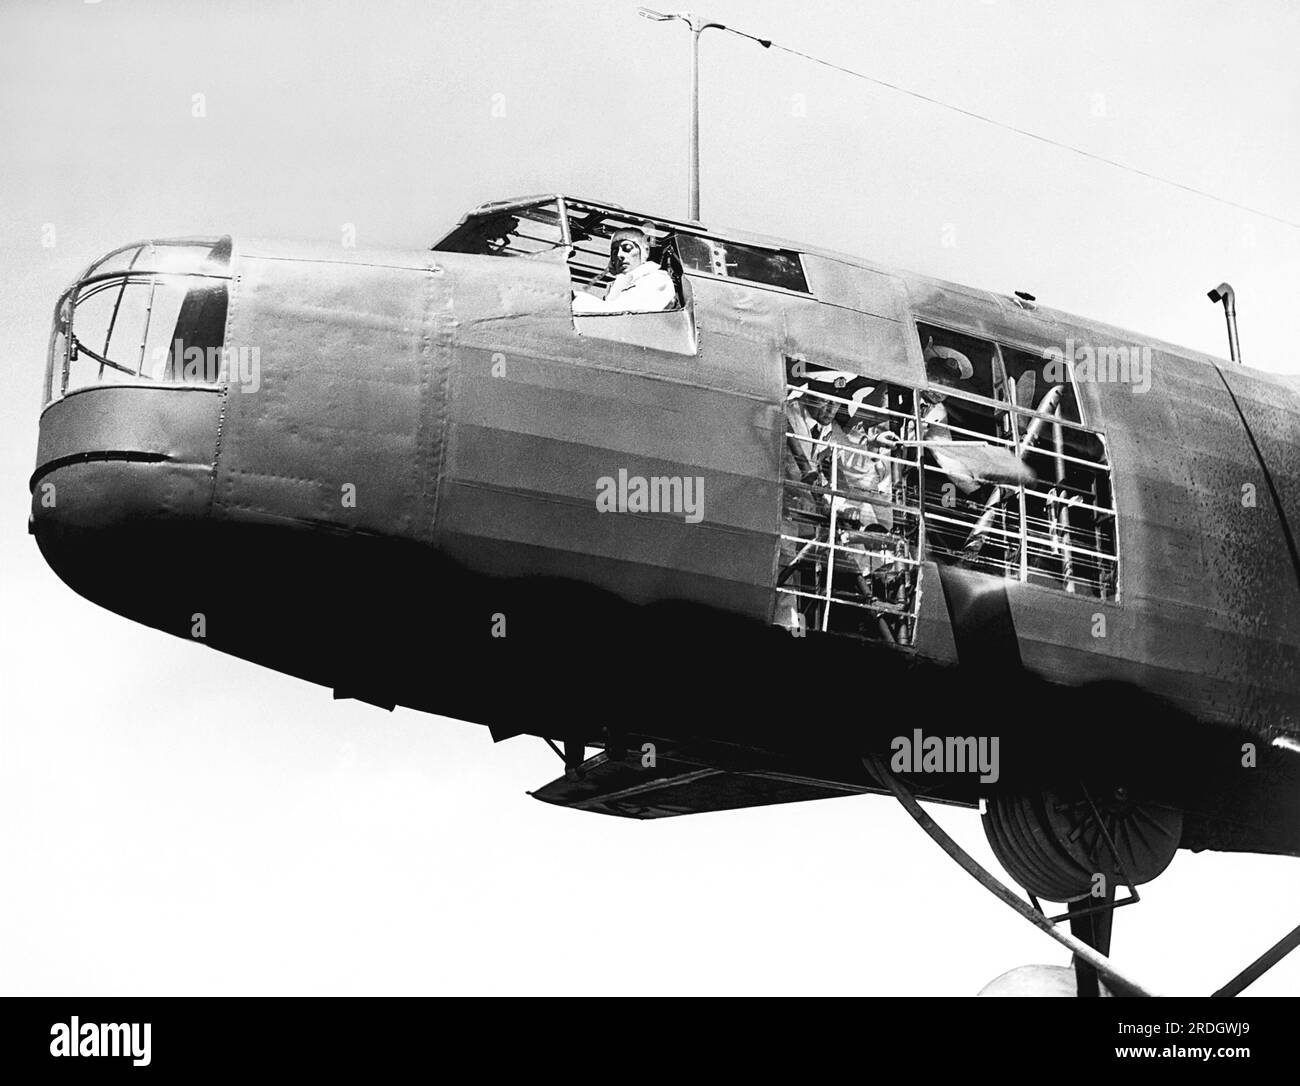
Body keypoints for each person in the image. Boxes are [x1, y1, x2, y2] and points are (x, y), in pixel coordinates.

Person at [572, 226, 677, 313]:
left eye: (627, 248)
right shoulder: (618, 286)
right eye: (614, 251)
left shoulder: (656, 279)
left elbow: (622, 315)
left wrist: (576, 298)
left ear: (643, 252)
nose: (619, 255)